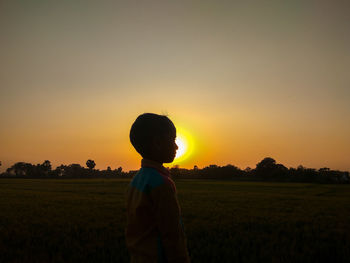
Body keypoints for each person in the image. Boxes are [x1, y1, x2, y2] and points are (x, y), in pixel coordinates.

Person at [125, 113, 191, 263]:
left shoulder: (136, 181)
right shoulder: (162, 184)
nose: (176, 146)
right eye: (173, 140)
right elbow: (172, 234)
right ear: (158, 143)